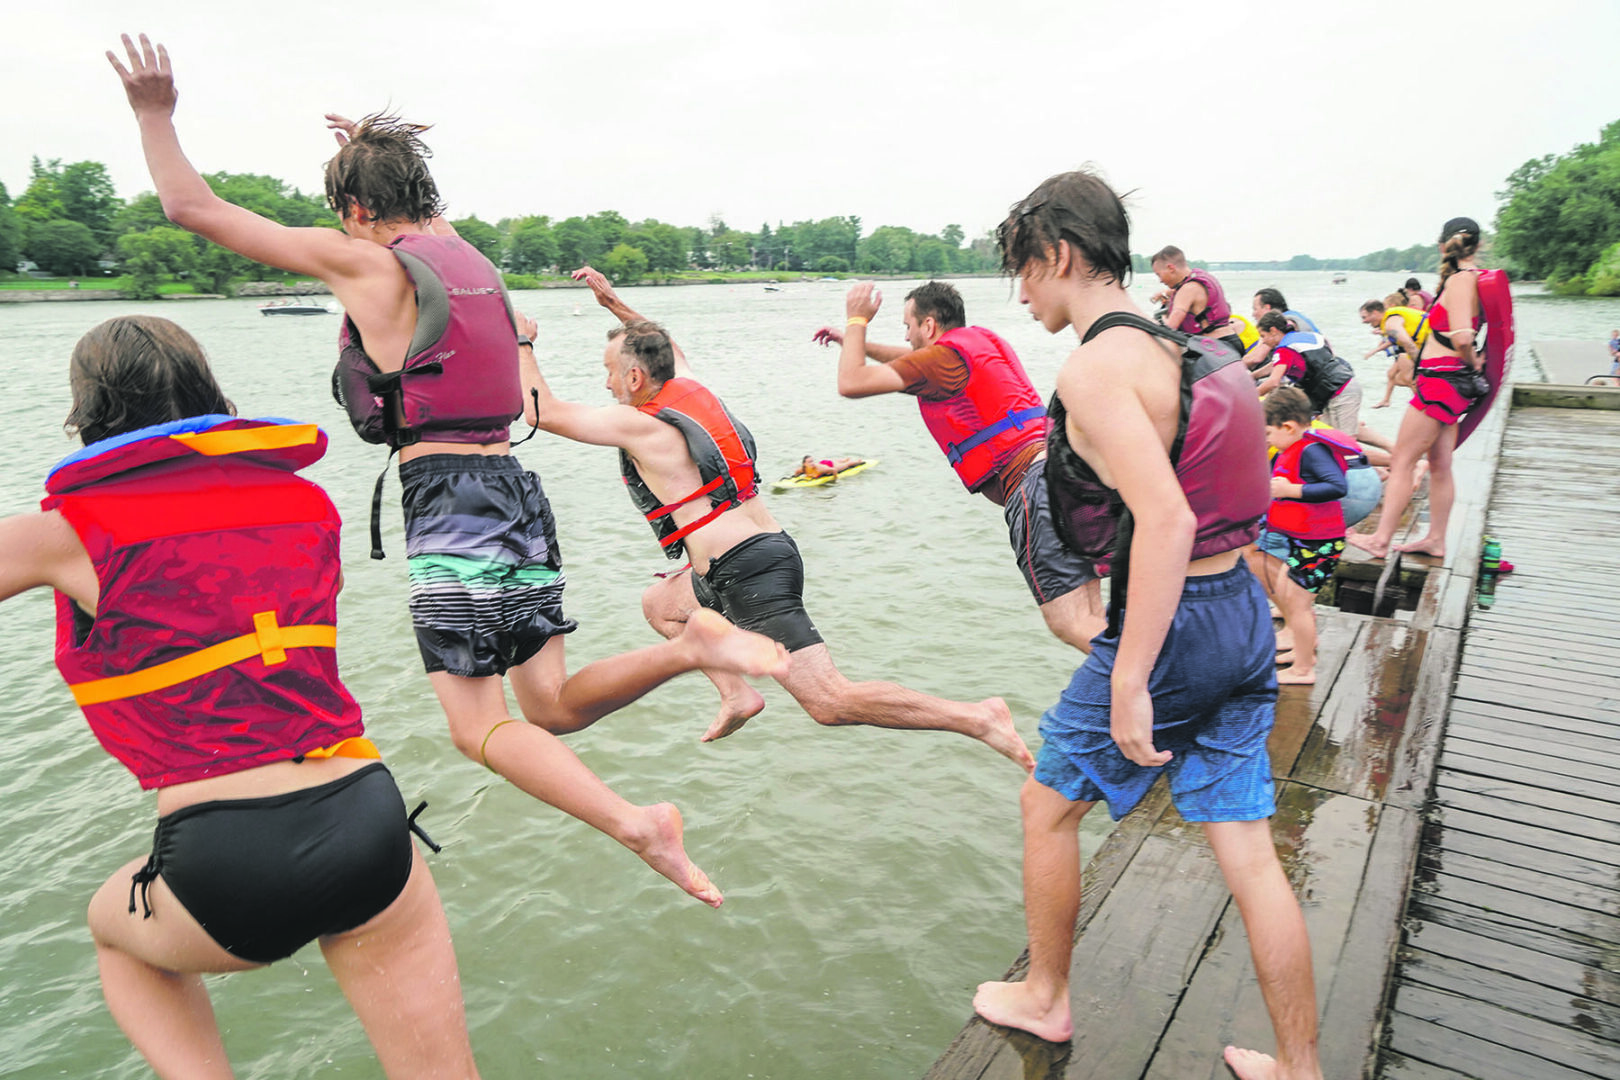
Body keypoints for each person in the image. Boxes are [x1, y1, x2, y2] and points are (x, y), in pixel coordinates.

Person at [110, 33, 791, 908]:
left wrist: (153, 114)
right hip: (516, 489)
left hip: (449, 499)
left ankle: (639, 817)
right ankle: (692, 647)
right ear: (423, 197)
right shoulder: (471, 261)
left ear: (354, 208)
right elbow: (414, 210)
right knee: (547, 706)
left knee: (478, 728)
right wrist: (370, 152)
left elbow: (191, 207)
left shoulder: (365, 262)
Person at [3, 316, 478, 1078]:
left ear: (87, 413)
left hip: (226, 852)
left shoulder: (68, 532)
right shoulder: (306, 506)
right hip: (365, 813)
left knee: (113, 930)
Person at [971, 169, 1323, 1080]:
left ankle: (1044, 996)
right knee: (1248, 847)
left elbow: (1164, 518)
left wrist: (1130, 673)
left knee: (1045, 807)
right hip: (1242, 612)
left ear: (1059, 255)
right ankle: (1299, 1065)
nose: (1021, 294)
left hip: (1171, 626)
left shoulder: (1096, 368)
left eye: (1025, 272)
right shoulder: (1191, 349)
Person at [520, 267, 1031, 766]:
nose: (605, 383)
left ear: (635, 376)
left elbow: (543, 413)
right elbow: (662, 343)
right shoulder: (690, 387)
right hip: (741, 560)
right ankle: (736, 694)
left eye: (609, 372)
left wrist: (523, 343)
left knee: (829, 700)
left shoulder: (641, 425)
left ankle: (976, 717)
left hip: (749, 572)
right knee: (661, 604)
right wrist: (611, 304)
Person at [811, 280, 1105, 650]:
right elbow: (909, 359)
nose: (907, 335)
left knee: (1072, 622)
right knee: (1094, 618)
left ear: (929, 326)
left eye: (908, 327)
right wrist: (851, 343)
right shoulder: (977, 342)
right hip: (1069, 472)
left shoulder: (941, 362)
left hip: (1036, 487)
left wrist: (857, 320)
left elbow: (851, 382)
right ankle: (1139, 693)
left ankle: (1159, 691)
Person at [1349, 217, 1503, 560]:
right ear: (1478, 245)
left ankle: (1380, 539)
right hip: (1451, 381)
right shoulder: (1471, 279)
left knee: (1403, 460)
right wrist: (1471, 358)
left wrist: (1471, 357)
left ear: (1441, 245)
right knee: (1439, 463)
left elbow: (1463, 335)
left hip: (1442, 381)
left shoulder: (1462, 281)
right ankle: (1435, 540)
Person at [1248, 388, 1355, 686]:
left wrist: (1291, 491)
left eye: (1268, 432)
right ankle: (1301, 651)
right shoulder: (1289, 451)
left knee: (1297, 605)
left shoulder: (1311, 451)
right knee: (1287, 593)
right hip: (1304, 542)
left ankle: (1304, 668)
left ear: (1289, 427)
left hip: (1321, 544)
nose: (1266, 439)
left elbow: (1337, 486)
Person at [1253, 311, 1363, 432]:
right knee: (1329, 439)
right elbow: (1276, 365)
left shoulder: (1284, 350)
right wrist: (1253, 376)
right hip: (1340, 387)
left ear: (1273, 331)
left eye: (1263, 336)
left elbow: (1273, 382)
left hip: (1341, 393)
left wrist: (1250, 397)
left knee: (1346, 443)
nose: (1263, 341)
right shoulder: (1307, 337)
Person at [1149, 246, 1247, 359]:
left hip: (1215, 350)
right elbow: (1183, 293)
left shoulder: (1187, 289)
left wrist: (1156, 322)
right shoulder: (1198, 279)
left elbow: (1170, 328)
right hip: (1231, 343)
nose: (1160, 280)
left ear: (1171, 268)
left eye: (1159, 274)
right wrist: (1165, 294)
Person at [1359, 296, 1430, 408]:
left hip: (1436, 340)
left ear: (1375, 312)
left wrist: (1422, 367)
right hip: (1431, 343)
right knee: (1403, 377)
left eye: (1365, 317)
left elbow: (1408, 344)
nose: (1363, 321)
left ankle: (1425, 407)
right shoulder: (1390, 320)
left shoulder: (1390, 323)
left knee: (1411, 379)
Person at [1243, 287, 1327, 372]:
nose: (1253, 314)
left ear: (1267, 308)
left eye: (1255, 309)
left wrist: (1233, 367)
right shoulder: (1295, 316)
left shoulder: (1281, 324)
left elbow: (1257, 358)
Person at [792, 454, 864, 479]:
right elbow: (796, 472)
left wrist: (835, 479)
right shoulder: (803, 469)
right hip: (823, 463)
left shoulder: (820, 469)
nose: (812, 463)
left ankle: (858, 461)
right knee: (836, 461)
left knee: (846, 465)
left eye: (812, 461)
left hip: (829, 466)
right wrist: (795, 477)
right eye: (809, 462)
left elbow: (833, 470)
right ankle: (843, 459)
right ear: (804, 464)